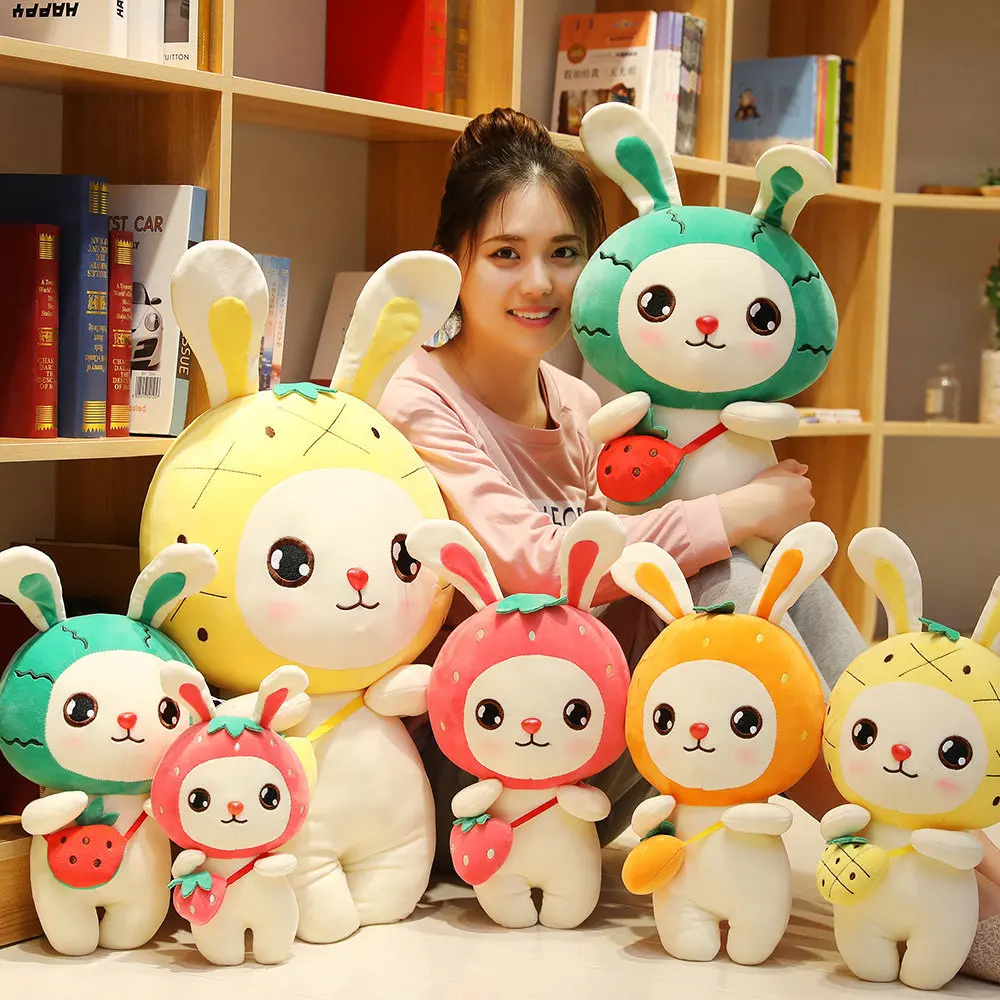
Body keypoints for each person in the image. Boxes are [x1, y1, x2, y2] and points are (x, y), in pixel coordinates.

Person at [377, 107, 1000, 979]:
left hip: (592, 734)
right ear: (456, 261)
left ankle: (943, 835)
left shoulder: (577, 404)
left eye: (565, 252)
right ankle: (919, 859)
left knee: (756, 583)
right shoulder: (416, 396)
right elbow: (531, 566)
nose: (540, 283)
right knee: (731, 595)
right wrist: (735, 510)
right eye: (506, 254)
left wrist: (736, 522)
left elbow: (636, 563)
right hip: (490, 760)